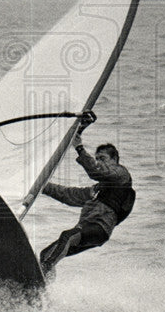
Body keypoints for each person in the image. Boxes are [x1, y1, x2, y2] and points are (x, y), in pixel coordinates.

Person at [39, 111, 135, 274]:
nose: (98, 162)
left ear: (115, 160)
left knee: (67, 236)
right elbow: (69, 195)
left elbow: (96, 170)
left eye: (102, 158)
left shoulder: (121, 175)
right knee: (45, 254)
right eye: (97, 158)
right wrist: (42, 186)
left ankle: (45, 268)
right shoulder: (98, 189)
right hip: (87, 232)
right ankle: (42, 288)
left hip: (99, 228)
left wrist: (79, 148)